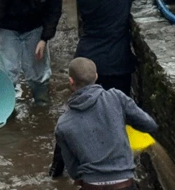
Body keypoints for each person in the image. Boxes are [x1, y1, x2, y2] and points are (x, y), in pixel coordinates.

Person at [54, 57, 157, 190]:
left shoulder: (63, 124)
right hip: (125, 184)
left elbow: (74, 171)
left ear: (71, 81)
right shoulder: (116, 97)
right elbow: (149, 125)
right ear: (96, 76)